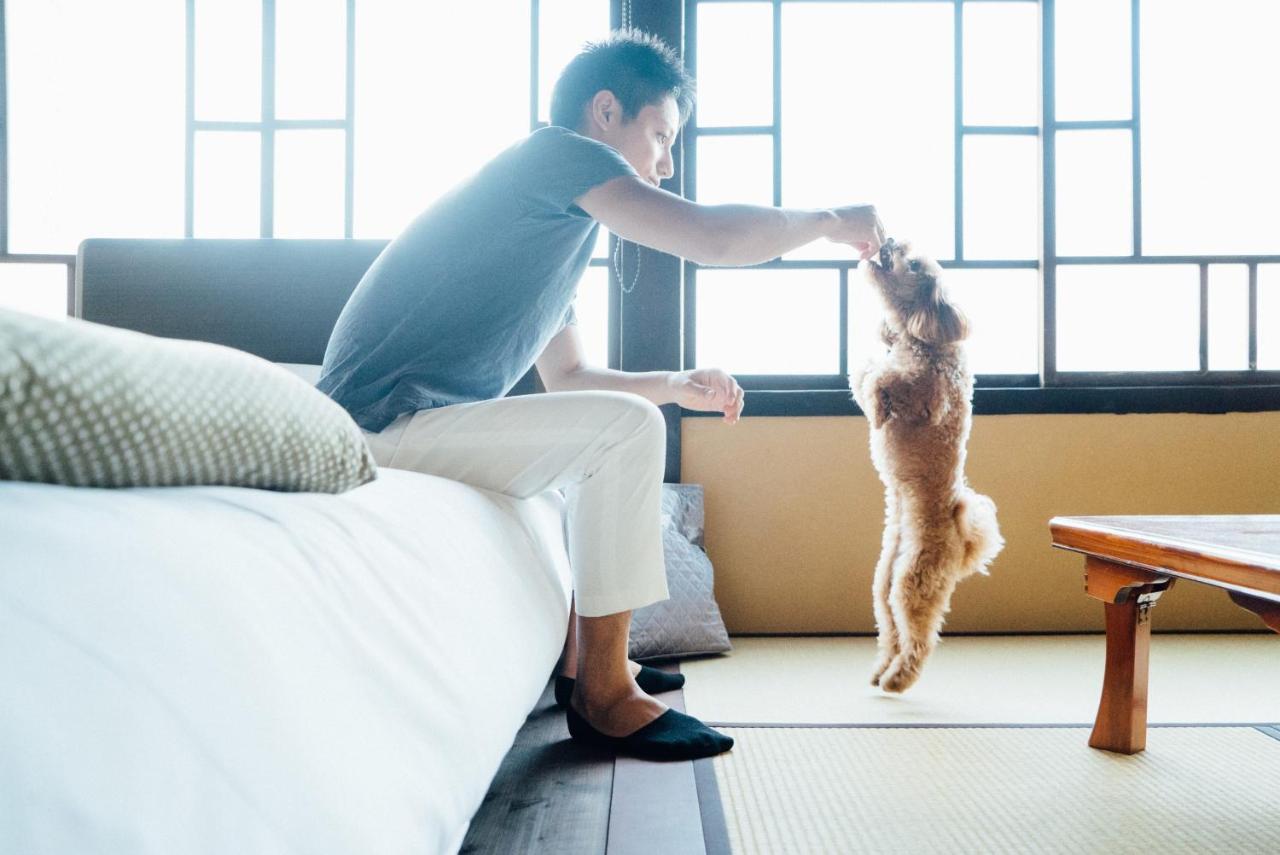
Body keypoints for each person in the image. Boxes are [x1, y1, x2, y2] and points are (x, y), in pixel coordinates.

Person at [317, 29, 884, 761]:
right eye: (660, 135)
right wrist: (832, 223)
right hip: (374, 424)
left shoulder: (546, 229)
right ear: (606, 111)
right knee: (626, 430)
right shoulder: (554, 155)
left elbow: (571, 379)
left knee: (613, 430)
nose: (666, 162)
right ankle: (605, 693)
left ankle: (581, 658)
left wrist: (676, 385)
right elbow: (710, 238)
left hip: (409, 423)